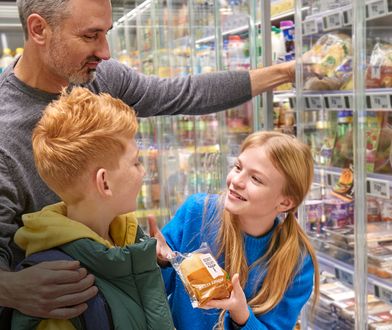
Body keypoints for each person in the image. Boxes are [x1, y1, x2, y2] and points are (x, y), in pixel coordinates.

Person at [0, 0, 297, 320]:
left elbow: (183, 93)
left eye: (107, 33)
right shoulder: (6, 134)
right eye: (91, 35)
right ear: (39, 29)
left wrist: (290, 71)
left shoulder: (100, 76)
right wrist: (9, 287)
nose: (105, 52)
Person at [10, 86, 174, 329]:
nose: (143, 172)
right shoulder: (61, 294)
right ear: (104, 183)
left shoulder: (127, 239)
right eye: (136, 162)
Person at [150, 131, 320, 329]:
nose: (236, 181)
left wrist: (242, 315)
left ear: (285, 202)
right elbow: (155, 295)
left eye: (256, 179)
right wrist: (158, 262)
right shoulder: (197, 213)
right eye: (238, 167)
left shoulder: (296, 261)